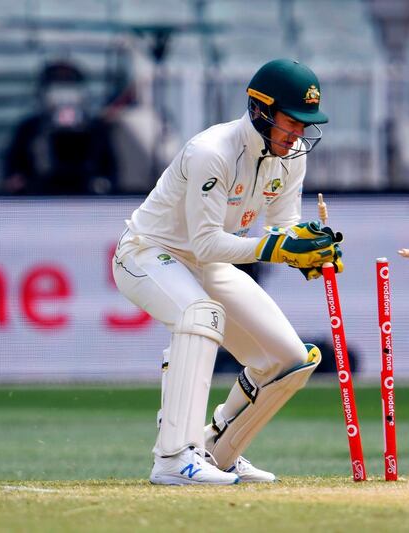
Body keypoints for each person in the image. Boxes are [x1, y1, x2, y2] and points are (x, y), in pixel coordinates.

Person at [111, 58, 344, 485]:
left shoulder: (289, 157)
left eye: (304, 125)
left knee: (289, 360)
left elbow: (282, 227)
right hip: (147, 254)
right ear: (261, 110)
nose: (297, 135)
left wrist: (307, 249)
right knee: (201, 315)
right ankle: (173, 460)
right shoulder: (212, 152)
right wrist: (280, 248)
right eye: (291, 123)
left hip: (206, 267)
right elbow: (205, 242)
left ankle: (218, 452)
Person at [3, 60, 118, 195]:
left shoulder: (95, 129)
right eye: (57, 86)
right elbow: (13, 174)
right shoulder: (29, 129)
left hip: (86, 199)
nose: (63, 94)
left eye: (69, 86)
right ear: (43, 91)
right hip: (39, 199)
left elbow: (110, 172)